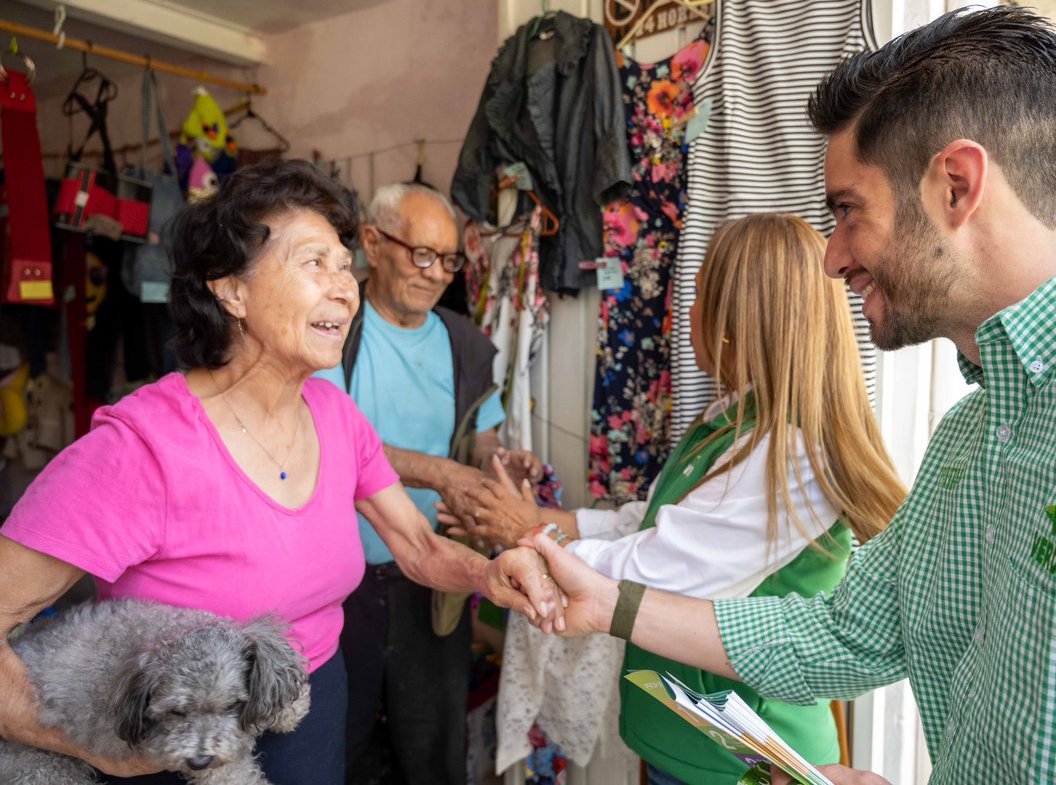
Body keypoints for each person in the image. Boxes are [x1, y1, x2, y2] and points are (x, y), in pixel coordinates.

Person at [524, 5, 1056, 785]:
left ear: (957, 184)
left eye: (848, 211)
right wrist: (609, 604)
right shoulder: (971, 435)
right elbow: (848, 634)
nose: (831, 258)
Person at [0, 159, 562, 785]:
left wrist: (489, 571)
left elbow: (419, 547)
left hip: (311, 702)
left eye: (346, 265)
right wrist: (88, 747)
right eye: (314, 262)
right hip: (176, 734)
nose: (345, 287)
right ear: (230, 289)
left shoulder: (335, 415)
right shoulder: (139, 450)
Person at [443, 214, 906, 785]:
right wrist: (540, 520)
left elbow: (662, 571)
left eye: (697, 300)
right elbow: (656, 521)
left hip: (744, 762)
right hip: (683, 735)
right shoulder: (729, 420)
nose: (685, 316)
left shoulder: (792, 455)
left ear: (734, 322)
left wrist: (538, 539)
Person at [312, 182, 539, 785]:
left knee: (433, 747)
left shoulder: (467, 346)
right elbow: (328, 442)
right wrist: (445, 472)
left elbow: (481, 440)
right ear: (371, 243)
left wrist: (500, 467)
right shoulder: (331, 329)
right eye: (421, 255)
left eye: (449, 260)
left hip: (432, 579)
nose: (437, 273)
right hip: (338, 582)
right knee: (337, 743)